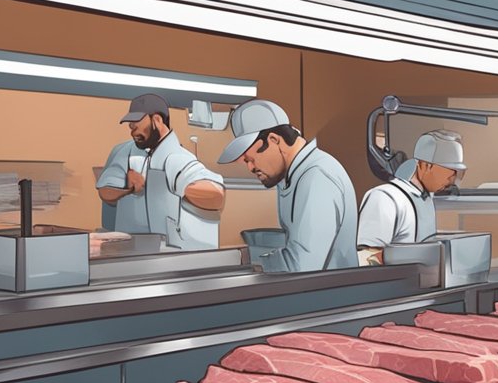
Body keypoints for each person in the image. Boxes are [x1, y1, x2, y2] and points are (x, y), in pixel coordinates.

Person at [219, 99, 358, 272]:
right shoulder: (290, 174)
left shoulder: (317, 177)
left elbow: (303, 265)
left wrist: (242, 259)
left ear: (274, 140)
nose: (251, 168)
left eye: (251, 159)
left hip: (332, 294)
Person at [106, 94, 225, 250]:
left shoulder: (176, 158)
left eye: (136, 125)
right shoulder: (127, 153)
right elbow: (106, 193)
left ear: (157, 120)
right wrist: (126, 188)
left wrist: (180, 185)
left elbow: (216, 195)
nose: (132, 131)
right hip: (132, 251)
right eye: (131, 127)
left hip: (172, 256)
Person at [356, 130, 466, 264]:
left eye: (457, 174)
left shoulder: (426, 199)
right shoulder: (385, 198)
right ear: (425, 166)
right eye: (449, 174)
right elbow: (366, 258)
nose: (452, 181)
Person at [94, 138, 142, 232]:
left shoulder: (174, 152)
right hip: (124, 235)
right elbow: (107, 193)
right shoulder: (128, 151)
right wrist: (130, 189)